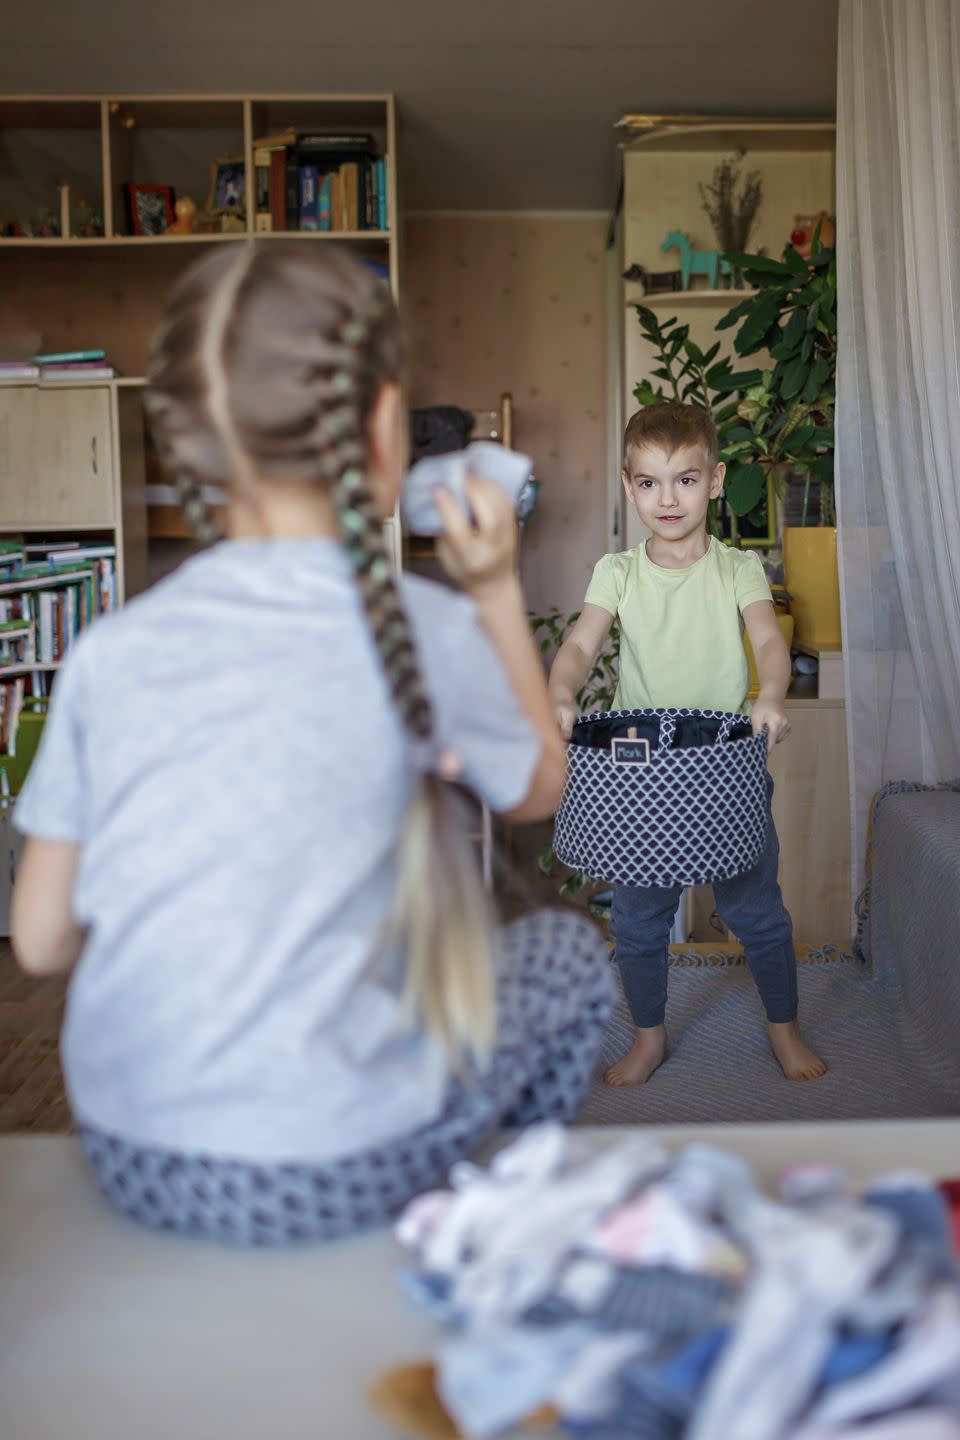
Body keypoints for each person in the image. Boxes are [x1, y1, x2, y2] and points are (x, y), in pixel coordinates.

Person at [11, 243, 615, 1245]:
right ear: (383, 425)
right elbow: (541, 789)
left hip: (134, 1150)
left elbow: (38, 942)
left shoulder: (111, 652)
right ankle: (468, 1228)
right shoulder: (421, 625)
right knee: (568, 959)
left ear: (182, 442)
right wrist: (497, 592)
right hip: (343, 1163)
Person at [549, 402, 826, 1088]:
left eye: (683, 479)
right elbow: (581, 643)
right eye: (648, 482)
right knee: (641, 920)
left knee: (756, 913)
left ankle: (784, 1030)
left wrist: (769, 692)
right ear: (627, 485)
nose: (666, 498)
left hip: (725, 768)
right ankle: (648, 1039)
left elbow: (769, 637)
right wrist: (559, 691)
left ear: (714, 480)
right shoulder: (616, 570)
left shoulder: (739, 568)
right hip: (643, 776)